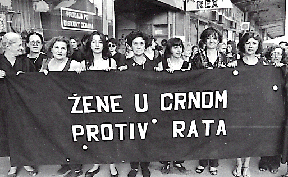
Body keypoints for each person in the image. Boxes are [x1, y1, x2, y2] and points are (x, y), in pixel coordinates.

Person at [40, 36, 83, 177]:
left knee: (71, 136)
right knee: (56, 135)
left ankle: (76, 167)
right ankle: (64, 164)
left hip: (69, 106)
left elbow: (82, 84)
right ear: (51, 49)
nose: (60, 50)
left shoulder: (74, 64)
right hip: (52, 105)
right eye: (57, 47)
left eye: (63, 48)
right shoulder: (46, 63)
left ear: (67, 51)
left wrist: (79, 74)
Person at [192, 27, 230, 175]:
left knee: (216, 132)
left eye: (214, 38)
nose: (212, 41)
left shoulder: (224, 57)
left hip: (219, 101)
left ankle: (214, 163)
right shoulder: (197, 57)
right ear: (204, 40)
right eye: (208, 38)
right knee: (202, 131)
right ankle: (202, 161)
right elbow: (191, 78)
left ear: (218, 40)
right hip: (201, 100)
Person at [125, 31, 162, 177]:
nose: (139, 46)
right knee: (133, 135)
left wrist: (161, 73)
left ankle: (145, 165)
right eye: (135, 43)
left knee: (147, 135)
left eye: (141, 43)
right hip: (131, 106)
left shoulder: (153, 64)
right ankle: (134, 166)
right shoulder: (125, 64)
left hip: (149, 106)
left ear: (145, 45)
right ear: (130, 46)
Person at [0, 32, 38, 177]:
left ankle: (26, 162)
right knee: (7, 133)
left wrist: (26, 78)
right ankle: (13, 165)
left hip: (22, 104)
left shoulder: (25, 61)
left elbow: (36, 79)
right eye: (19, 45)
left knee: (23, 132)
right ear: (8, 45)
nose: (21, 48)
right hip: (3, 103)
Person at [83, 31, 119, 177]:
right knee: (94, 134)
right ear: (89, 44)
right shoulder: (83, 63)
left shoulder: (111, 61)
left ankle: (112, 165)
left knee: (109, 133)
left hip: (108, 103)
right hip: (91, 104)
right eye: (94, 41)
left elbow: (119, 84)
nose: (97, 45)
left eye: (100, 41)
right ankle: (95, 163)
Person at [232, 32, 267, 177]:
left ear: (258, 45)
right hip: (238, 106)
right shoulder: (236, 63)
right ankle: (238, 164)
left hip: (255, 107)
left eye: (254, 43)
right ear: (243, 45)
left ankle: (246, 165)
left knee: (251, 136)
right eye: (247, 43)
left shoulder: (263, 64)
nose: (251, 46)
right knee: (238, 136)